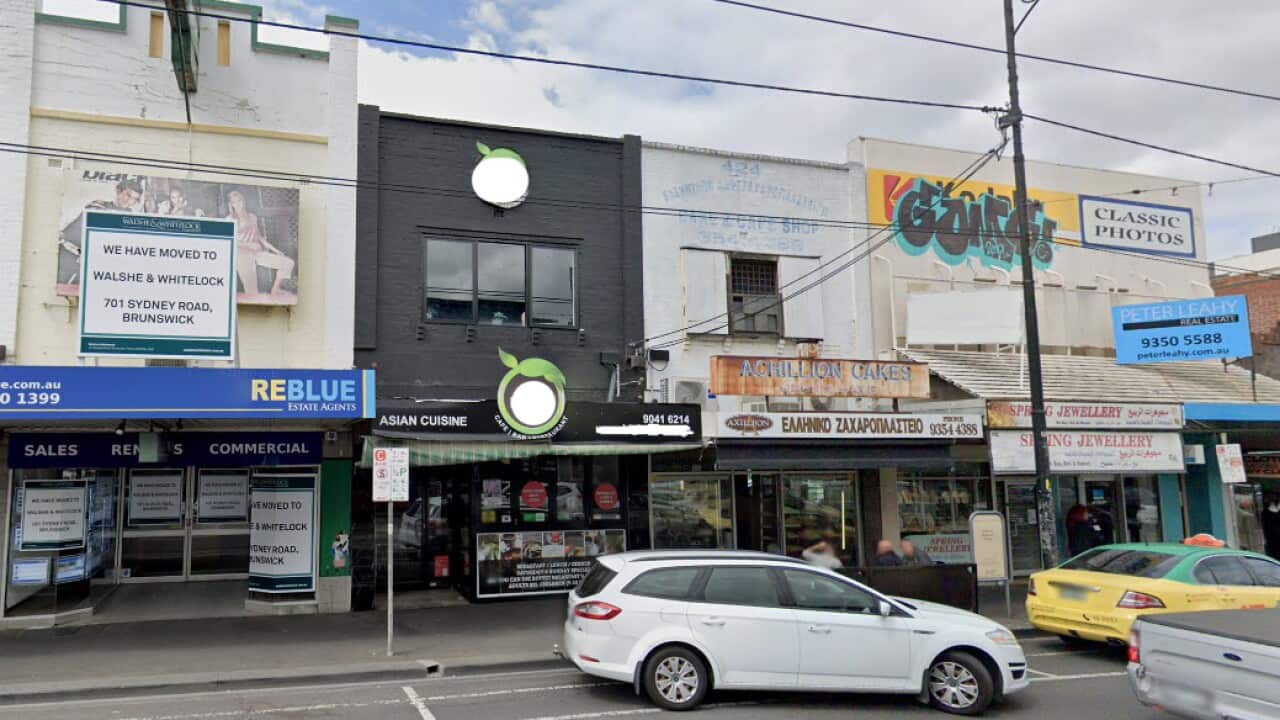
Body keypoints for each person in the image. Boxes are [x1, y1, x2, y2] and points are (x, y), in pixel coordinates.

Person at [226, 188, 295, 299]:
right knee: (253, 293)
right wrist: (248, 245)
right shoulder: (229, 219)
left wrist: (276, 251)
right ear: (231, 205)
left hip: (257, 253)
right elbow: (229, 241)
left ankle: (275, 290)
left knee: (288, 263)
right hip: (242, 256)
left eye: (239, 200)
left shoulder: (252, 217)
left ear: (243, 201)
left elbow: (260, 238)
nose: (238, 204)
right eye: (234, 202)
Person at [1262, 493, 1280, 561]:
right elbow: (1266, 528)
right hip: (1272, 542)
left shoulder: (1265, 513)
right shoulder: (1265, 513)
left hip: (1272, 542)